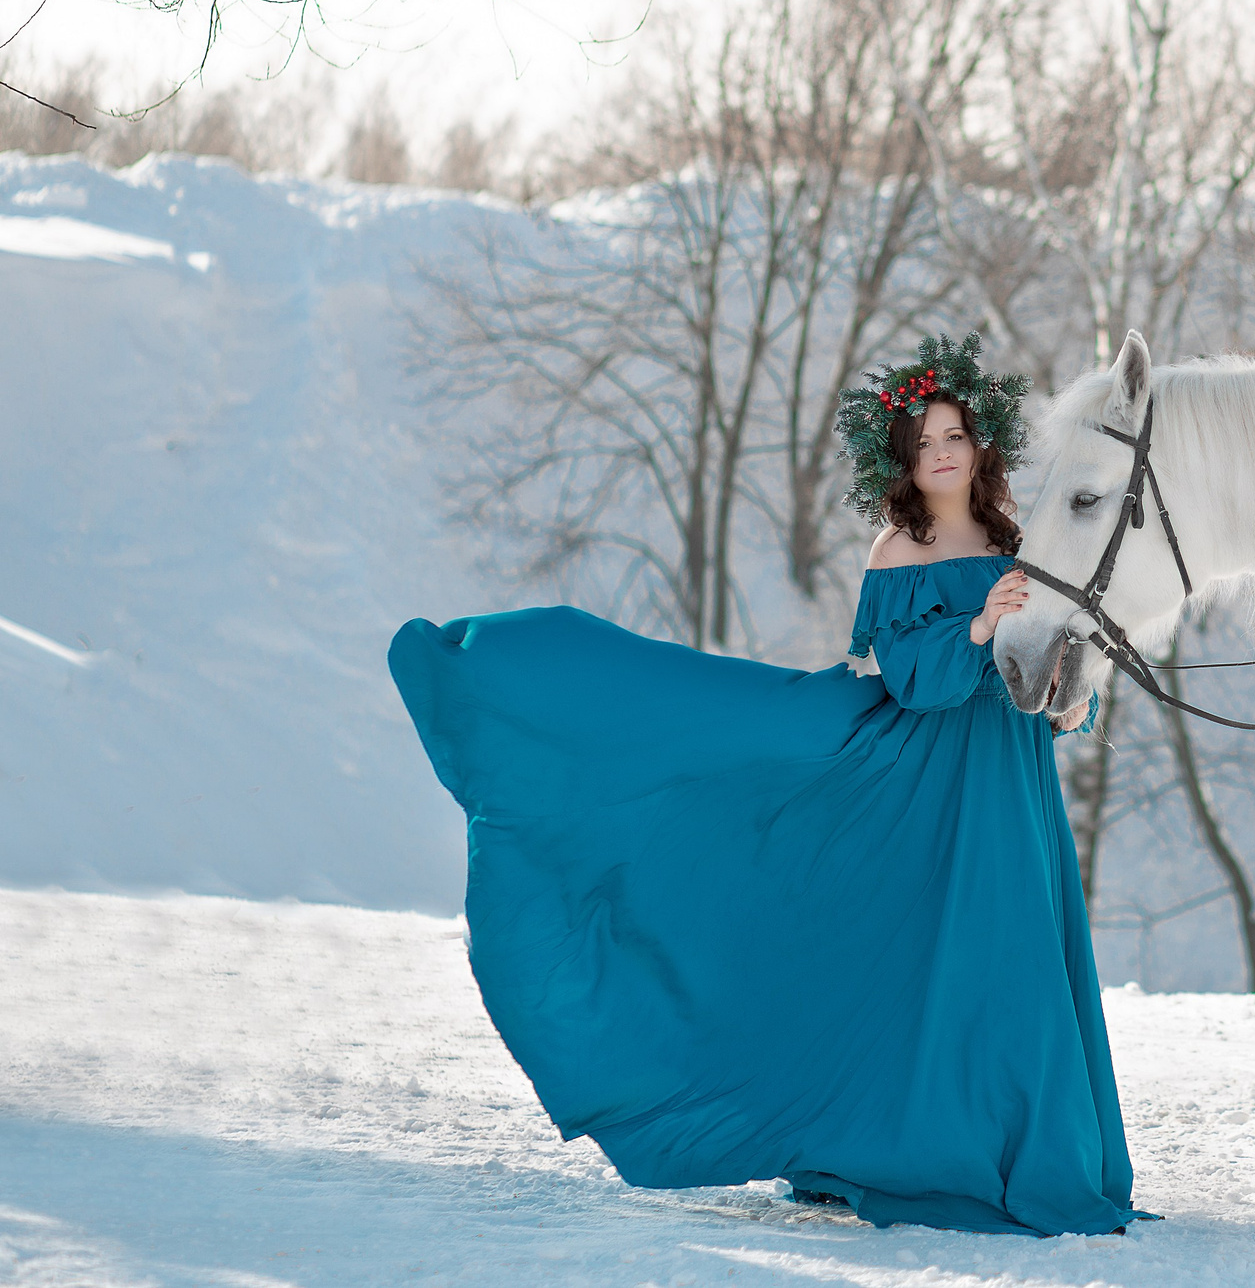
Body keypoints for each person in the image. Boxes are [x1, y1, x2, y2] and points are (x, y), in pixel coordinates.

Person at [387, 332, 1137, 1237]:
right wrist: (976, 626)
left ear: (981, 445)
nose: (942, 454)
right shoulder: (898, 549)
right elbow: (911, 680)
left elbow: (1050, 658)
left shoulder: (1019, 539)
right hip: (931, 777)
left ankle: (1030, 1150)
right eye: (924, 442)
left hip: (1010, 769)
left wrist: (1069, 703)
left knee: (1017, 952)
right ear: (902, 461)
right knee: (948, 956)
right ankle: (929, 1150)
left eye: (955, 436)